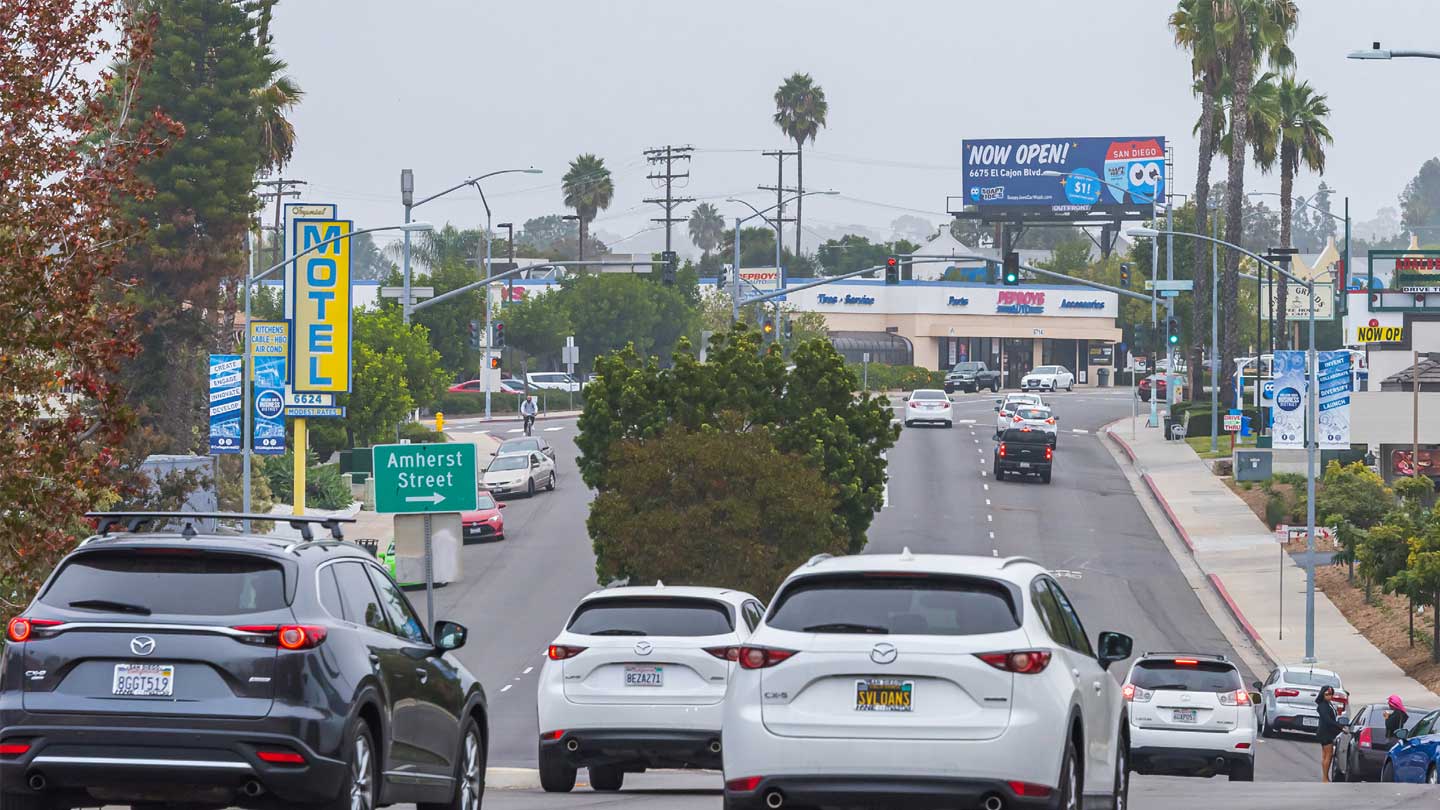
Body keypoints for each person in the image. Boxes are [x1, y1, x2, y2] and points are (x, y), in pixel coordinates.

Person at [1316, 685, 1343, 782]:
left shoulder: (1328, 704)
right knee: (1328, 755)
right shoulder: (1323, 706)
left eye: (1331, 694)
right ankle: (1325, 777)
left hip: (1326, 732)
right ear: (1322, 694)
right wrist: (1340, 727)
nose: (1329, 696)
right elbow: (1327, 720)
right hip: (1325, 733)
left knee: (1325, 755)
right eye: (1327, 694)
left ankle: (1325, 777)